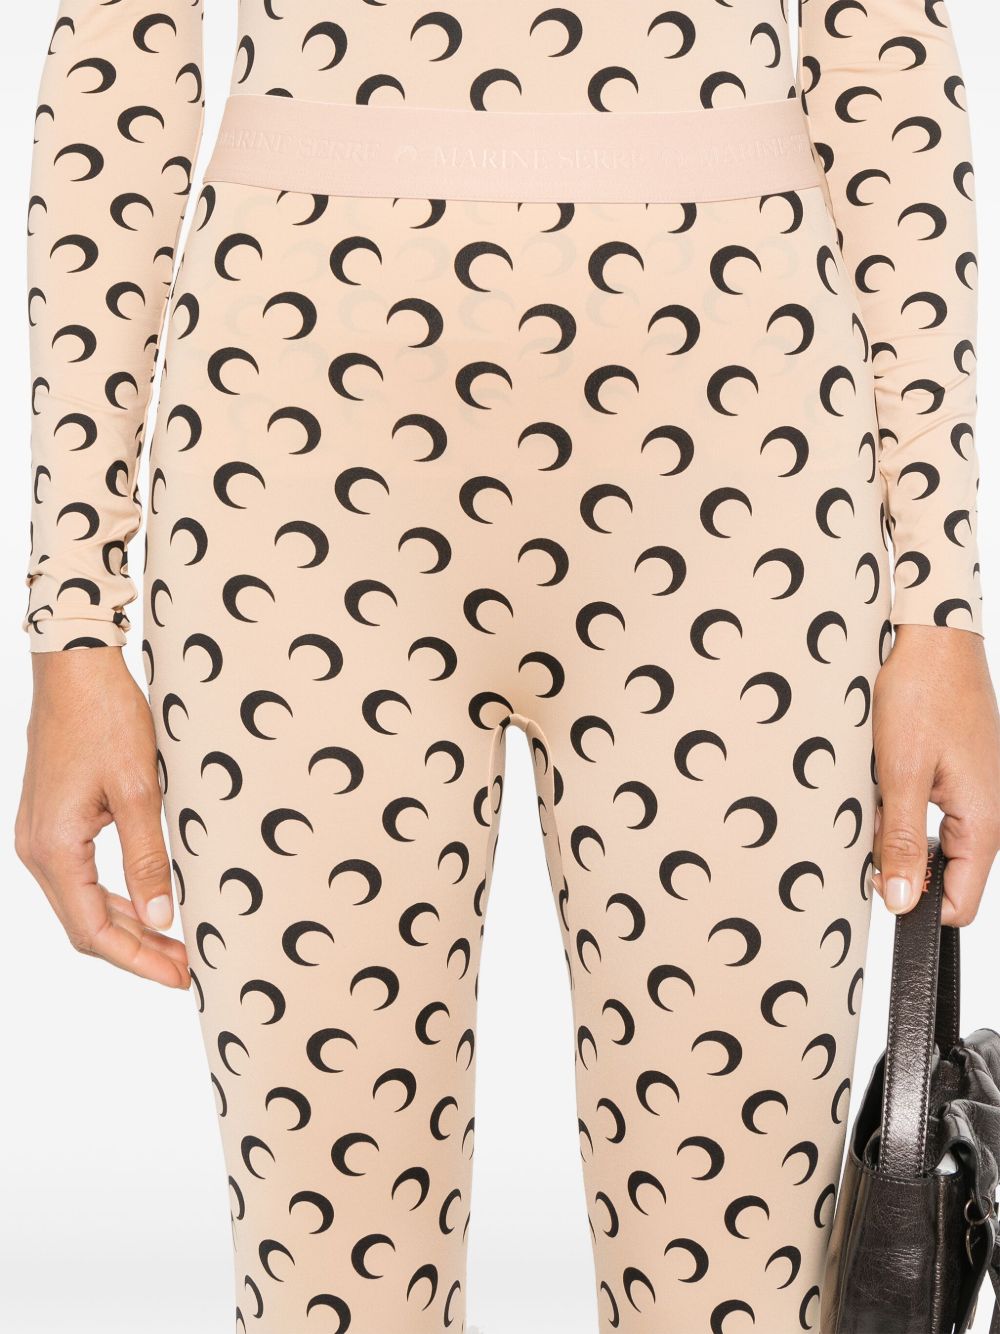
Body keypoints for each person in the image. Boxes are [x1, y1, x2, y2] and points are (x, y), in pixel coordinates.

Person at [16, 2, 1000, 1331]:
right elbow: (117, 54)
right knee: (326, 1285)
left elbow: (883, 56)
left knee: (740, 1288)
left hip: (735, 489)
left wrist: (940, 602)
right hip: (294, 487)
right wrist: (72, 625)